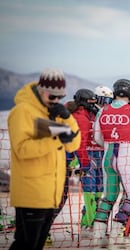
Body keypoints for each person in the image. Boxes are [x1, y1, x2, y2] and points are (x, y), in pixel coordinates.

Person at [7, 68, 81, 250]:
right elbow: (22, 149)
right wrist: (55, 139)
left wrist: (68, 118)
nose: (56, 100)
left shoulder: (53, 112)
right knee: (26, 245)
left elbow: (73, 144)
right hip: (31, 192)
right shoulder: (23, 111)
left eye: (60, 96)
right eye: (52, 96)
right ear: (41, 90)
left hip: (50, 193)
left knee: (36, 245)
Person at [92, 79, 130, 247]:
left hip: (108, 156)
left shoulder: (102, 111)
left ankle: (98, 236)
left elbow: (97, 138)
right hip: (127, 156)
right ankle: (117, 234)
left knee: (109, 195)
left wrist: (109, 144)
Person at [66, 88, 104, 237]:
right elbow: (80, 144)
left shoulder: (91, 114)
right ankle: (91, 223)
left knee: (98, 191)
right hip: (79, 157)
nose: (94, 104)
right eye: (91, 102)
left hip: (93, 156)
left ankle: (86, 223)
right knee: (88, 191)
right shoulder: (80, 117)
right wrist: (84, 163)